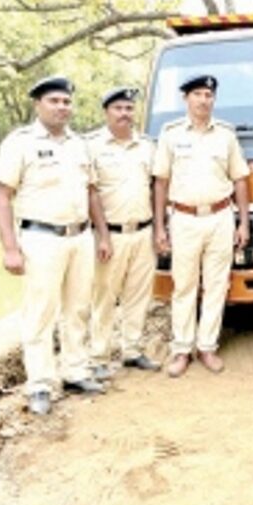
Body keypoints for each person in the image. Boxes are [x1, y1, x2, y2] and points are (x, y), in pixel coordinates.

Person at [0, 76, 104, 416]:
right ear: (38, 105)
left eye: (66, 101)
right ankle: (40, 382)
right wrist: (10, 248)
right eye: (54, 101)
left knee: (78, 308)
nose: (62, 107)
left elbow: (92, 191)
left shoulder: (79, 144)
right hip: (41, 239)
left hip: (80, 237)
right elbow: (1, 195)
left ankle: (75, 371)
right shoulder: (20, 143)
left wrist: (103, 235)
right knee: (40, 313)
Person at [152, 74, 250, 378]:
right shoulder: (170, 134)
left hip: (220, 217)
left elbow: (240, 179)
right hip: (183, 218)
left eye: (208, 95)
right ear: (186, 99)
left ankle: (207, 346)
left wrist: (243, 222)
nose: (203, 100)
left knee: (216, 286)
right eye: (197, 94)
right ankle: (182, 349)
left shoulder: (226, 135)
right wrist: (159, 227)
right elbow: (160, 182)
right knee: (184, 286)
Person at [86, 87, 160, 379]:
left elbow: (156, 188)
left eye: (129, 109)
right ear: (106, 112)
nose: (124, 114)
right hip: (110, 236)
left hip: (143, 231)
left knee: (138, 295)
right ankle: (99, 356)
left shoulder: (147, 146)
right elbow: (90, 192)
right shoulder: (91, 146)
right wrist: (102, 235)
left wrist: (158, 229)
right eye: (118, 108)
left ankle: (132, 350)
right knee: (104, 296)